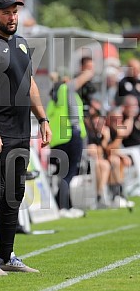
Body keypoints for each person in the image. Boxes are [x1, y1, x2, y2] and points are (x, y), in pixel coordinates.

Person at [0, 0, 52, 276]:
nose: (12, 17)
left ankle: (7, 255)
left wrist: (43, 119)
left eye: (14, 12)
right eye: (6, 12)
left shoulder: (22, 44)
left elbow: (29, 86)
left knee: (14, 195)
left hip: (20, 132)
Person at [46, 58, 95, 218]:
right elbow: (72, 85)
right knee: (69, 173)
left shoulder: (54, 93)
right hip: (71, 136)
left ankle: (66, 204)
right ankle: (63, 207)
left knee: (64, 174)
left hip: (57, 139)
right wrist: (88, 73)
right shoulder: (65, 89)